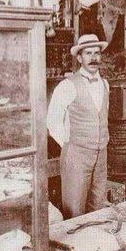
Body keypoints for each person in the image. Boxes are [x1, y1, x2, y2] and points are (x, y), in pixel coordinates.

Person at [47, 34, 111, 218]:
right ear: (79, 58)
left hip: (101, 154)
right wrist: (71, 145)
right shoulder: (67, 85)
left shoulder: (105, 84)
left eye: (96, 53)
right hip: (77, 155)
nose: (93, 58)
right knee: (74, 210)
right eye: (88, 53)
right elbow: (52, 121)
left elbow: (102, 116)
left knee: (98, 207)